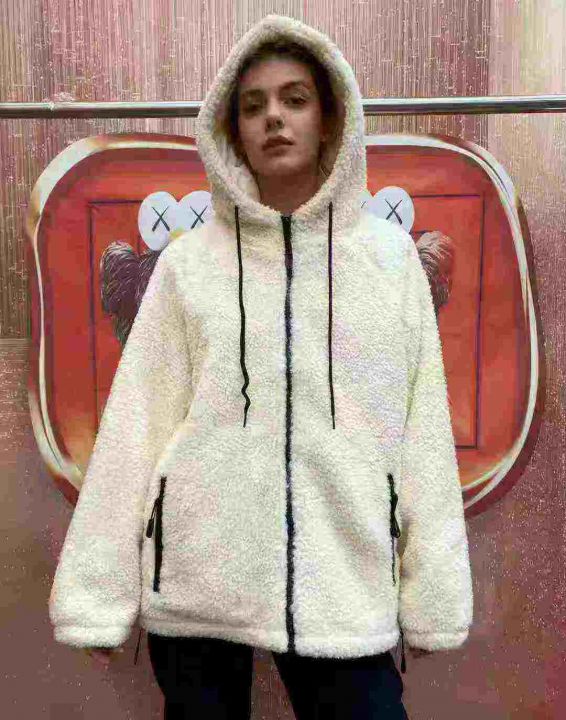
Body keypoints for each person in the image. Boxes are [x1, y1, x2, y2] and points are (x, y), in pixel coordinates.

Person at [48, 13, 473, 719]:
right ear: (232, 130)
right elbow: (135, 424)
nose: (273, 117)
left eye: (294, 99)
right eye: (253, 106)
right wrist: (97, 597)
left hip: (343, 584)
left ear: (330, 121)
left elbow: (422, 431)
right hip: (198, 582)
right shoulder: (188, 266)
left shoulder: (389, 262)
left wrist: (434, 596)